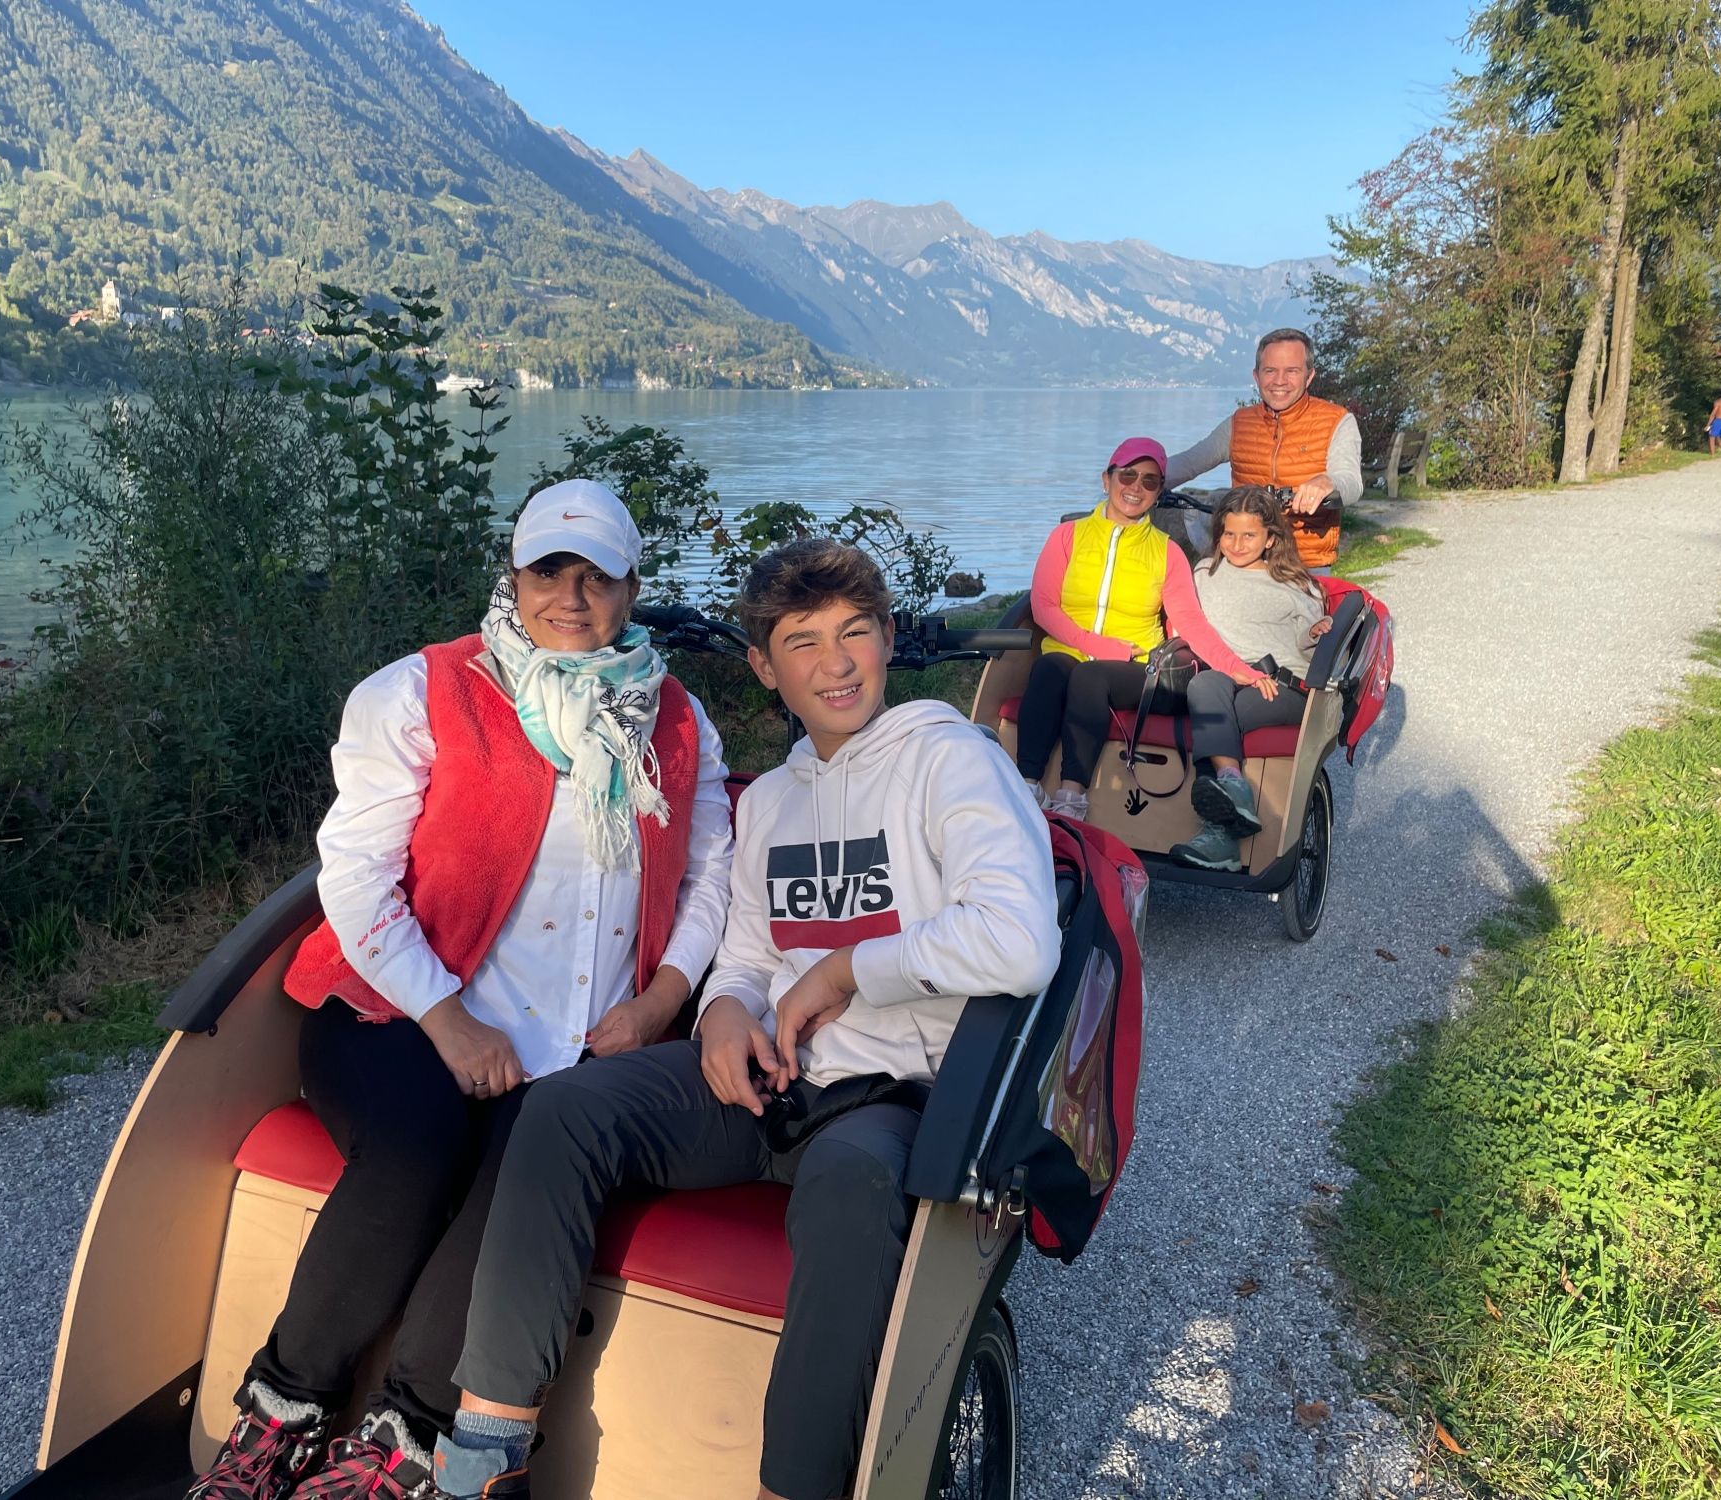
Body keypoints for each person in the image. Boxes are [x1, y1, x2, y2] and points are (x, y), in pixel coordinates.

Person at [360, 538, 1063, 1500]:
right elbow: (742, 958)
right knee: (564, 1108)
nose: (836, 662)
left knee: (853, 1188)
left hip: (893, 1095)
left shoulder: (948, 760)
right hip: (765, 1079)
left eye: (856, 632)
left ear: (890, 641)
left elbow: (1020, 940)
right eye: (803, 642)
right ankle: (486, 1454)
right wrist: (726, 1014)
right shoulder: (771, 803)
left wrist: (850, 971)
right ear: (765, 670)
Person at [186, 479, 734, 1500]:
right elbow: (351, 876)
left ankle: (403, 1439)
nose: (569, 596)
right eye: (546, 570)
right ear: (512, 575)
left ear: (631, 587)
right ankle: (280, 1414)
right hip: (400, 1012)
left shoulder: (680, 722)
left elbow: (710, 877)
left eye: (596, 575)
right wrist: (446, 1017)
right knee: (419, 1144)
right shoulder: (418, 691)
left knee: (525, 1175)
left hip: (577, 1043)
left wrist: (660, 1003)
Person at [1016, 437, 1263, 820]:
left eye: (1149, 481)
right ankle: (1026, 788)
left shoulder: (1167, 552)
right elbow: (1043, 606)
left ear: (1159, 492)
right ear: (1106, 479)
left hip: (1138, 667)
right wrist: (1095, 643)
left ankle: (1071, 798)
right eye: (1127, 475)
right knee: (1050, 668)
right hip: (1070, 651)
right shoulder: (1066, 536)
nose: (1135, 487)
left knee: (1089, 676)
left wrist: (1236, 668)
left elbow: (1190, 623)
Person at [1167, 487, 1332, 872]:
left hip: (1280, 684)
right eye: (1228, 534)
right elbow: (1186, 619)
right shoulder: (1205, 573)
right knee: (1203, 687)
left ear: (1270, 538)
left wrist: (1314, 634)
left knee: (1224, 715)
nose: (1237, 544)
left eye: (1249, 536)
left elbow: (1309, 648)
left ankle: (1218, 837)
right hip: (1223, 674)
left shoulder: (1295, 583)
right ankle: (1232, 785)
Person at [1164, 328, 1363, 572]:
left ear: (1309, 376)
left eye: (1292, 371)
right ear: (1257, 376)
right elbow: (1190, 463)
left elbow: (1352, 483)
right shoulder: (1240, 423)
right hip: (1245, 559)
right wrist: (1139, 479)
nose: (1280, 380)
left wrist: (1327, 482)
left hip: (1305, 563)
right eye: (1270, 370)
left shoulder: (1336, 421)